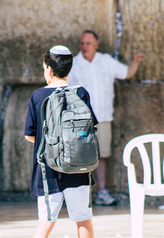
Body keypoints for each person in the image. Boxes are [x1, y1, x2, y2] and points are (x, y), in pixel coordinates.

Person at [23, 45, 117, 238]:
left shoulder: (37, 96)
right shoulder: (81, 92)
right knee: (83, 220)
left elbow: (30, 136)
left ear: (49, 69)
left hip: (48, 171)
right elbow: (90, 129)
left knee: (45, 222)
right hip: (78, 168)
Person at [68, 30, 146, 206]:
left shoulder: (106, 61)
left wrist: (135, 62)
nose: (85, 47)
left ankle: (102, 192)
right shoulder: (73, 64)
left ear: (96, 44)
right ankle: (81, 195)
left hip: (102, 117)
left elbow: (126, 73)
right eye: (82, 43)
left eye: (88, 43)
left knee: (102, 155)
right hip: (81, 119)